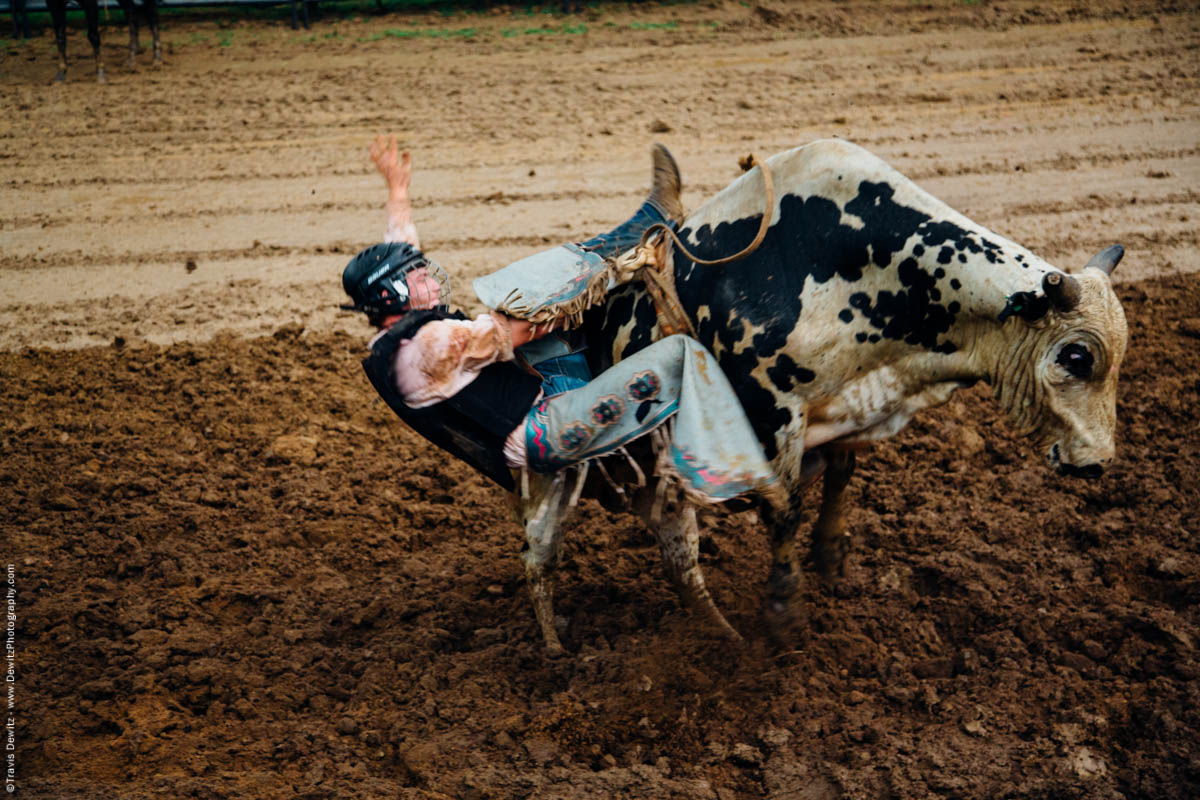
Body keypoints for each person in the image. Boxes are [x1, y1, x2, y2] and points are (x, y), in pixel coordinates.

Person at [341, 135, 781, 507]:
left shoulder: (396, 335)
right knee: (680, 352)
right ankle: (724, 471)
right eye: (417, 277)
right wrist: (592, 281)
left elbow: (400, 248)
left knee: (552, 301)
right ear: (393, 294)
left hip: (526, 402)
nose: (429, 278)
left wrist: (397, 191)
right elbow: (521, 329)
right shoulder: (431, 346)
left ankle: (638, 231)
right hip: (543, 434)